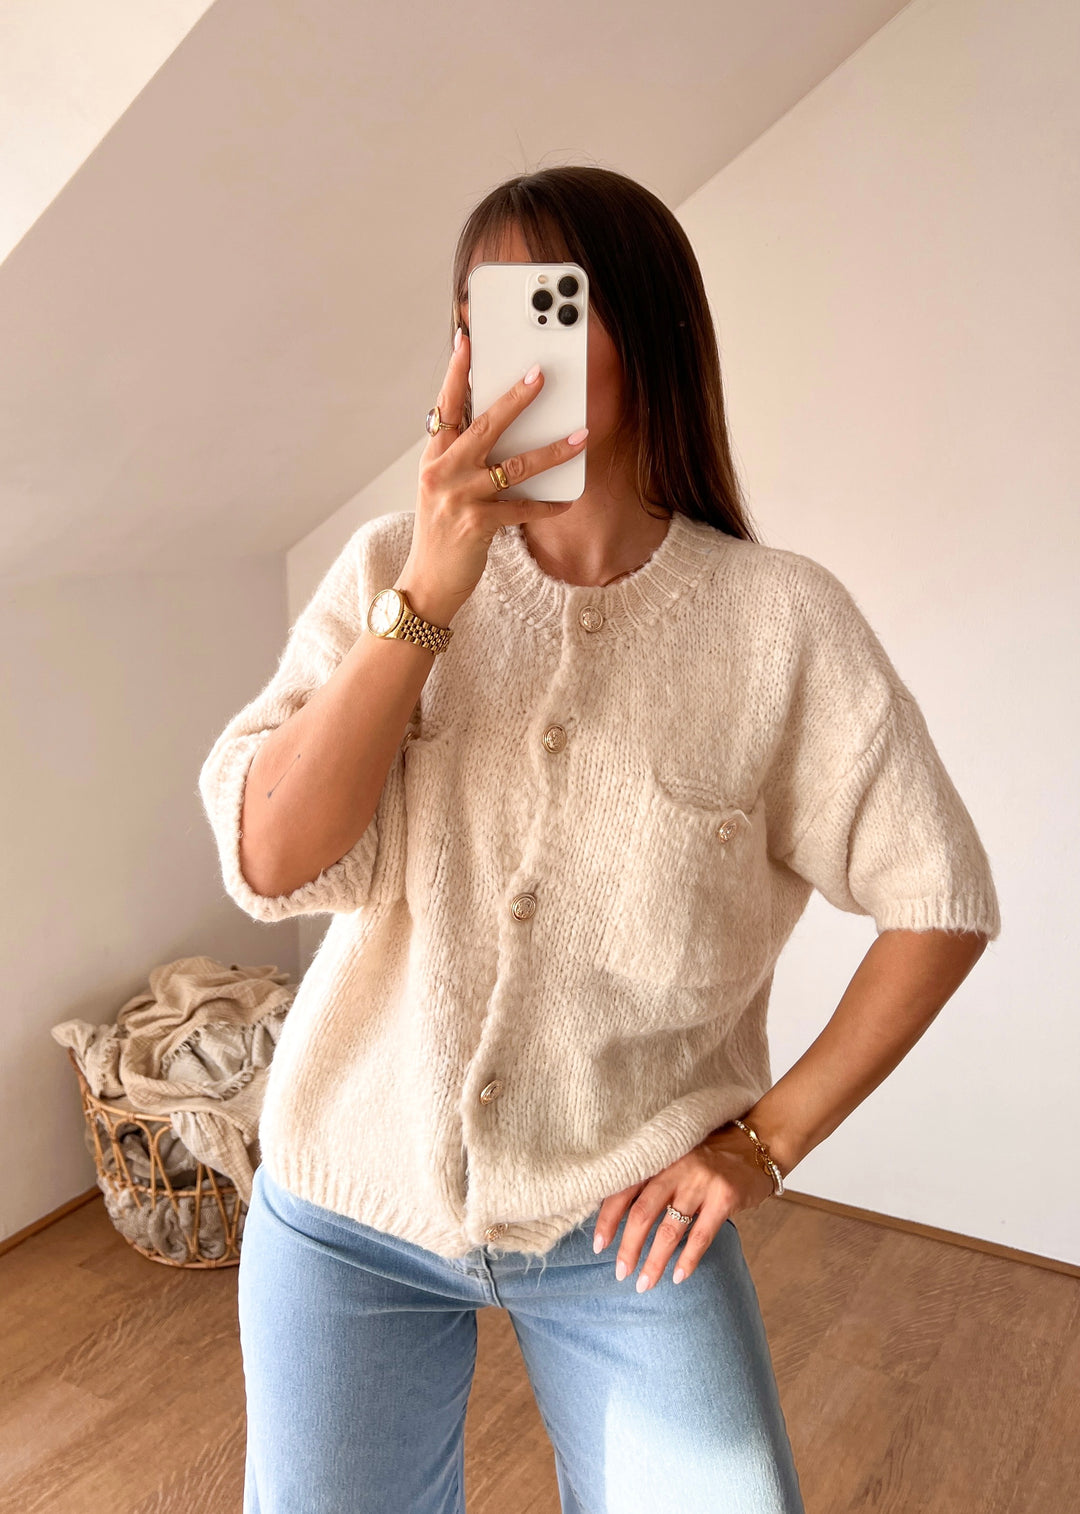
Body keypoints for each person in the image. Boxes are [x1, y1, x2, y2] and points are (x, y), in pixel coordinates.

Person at [198, 166, 1001, 1514]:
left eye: (549, 309)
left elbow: (942, 899)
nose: (507, 355)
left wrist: (766, 1142)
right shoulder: (389, 566)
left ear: (651, 329)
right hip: (346, 1199)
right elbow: (273, 858)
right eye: (480, 317)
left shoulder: (779, 623)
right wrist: (431, 591)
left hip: (625, 1218)